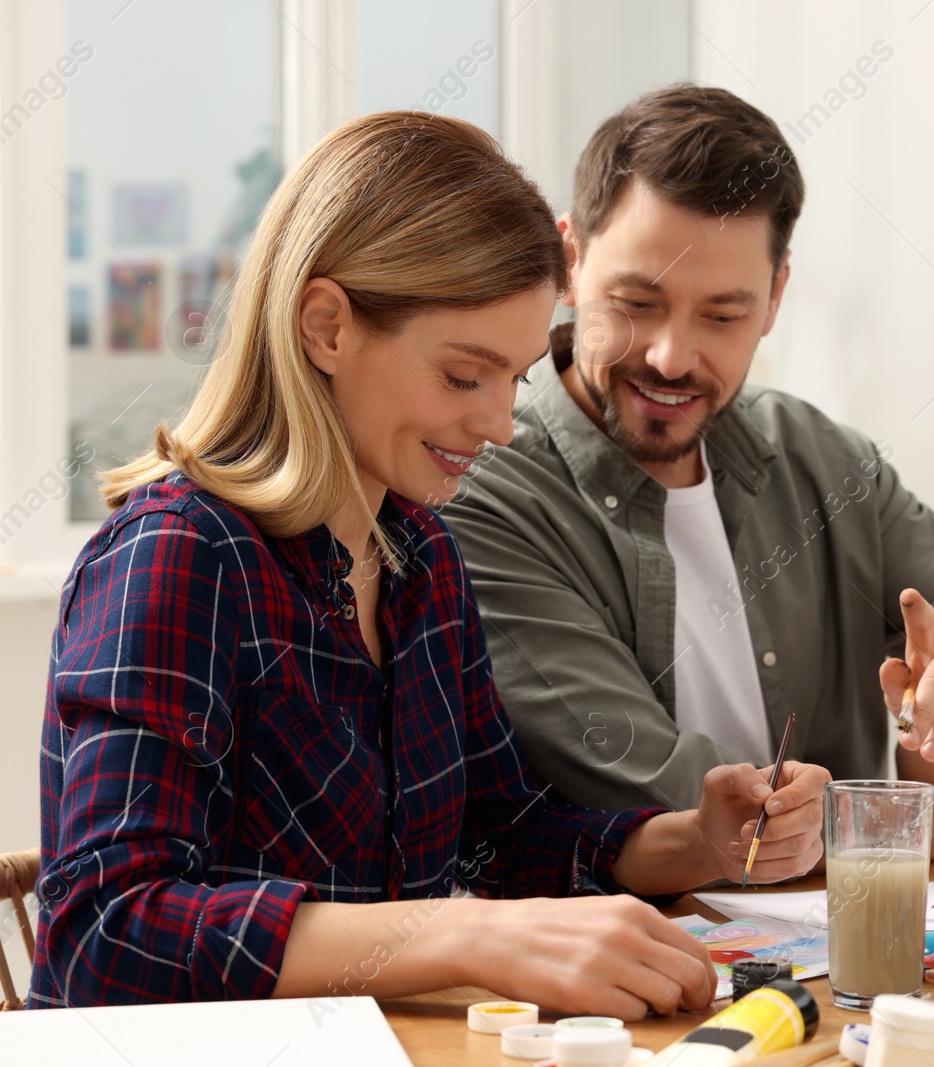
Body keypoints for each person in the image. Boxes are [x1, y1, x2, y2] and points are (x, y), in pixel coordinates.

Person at [31, 111, 826, 1016]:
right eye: (462, 376)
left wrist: (696, 841)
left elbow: (503, 833)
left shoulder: (421, 558)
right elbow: (107, 932)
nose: (496, 424)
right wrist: (461, 933)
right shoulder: (177, 556)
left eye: (515, 378)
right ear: (326, 326)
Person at [441, 85, 934, 860]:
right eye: (637, 301)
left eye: (723, 314)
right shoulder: (484, 491)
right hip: (640, 960)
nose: (673, 355)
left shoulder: (823, 461)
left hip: (848, 949)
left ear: (775, 297)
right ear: (568, 264)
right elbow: (668, 795)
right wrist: (916, 808)